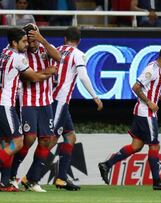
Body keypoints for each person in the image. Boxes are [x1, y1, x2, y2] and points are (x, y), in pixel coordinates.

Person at [0, 27, 57, 192]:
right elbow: (34, 77)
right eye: (23, 41)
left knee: (6, 145)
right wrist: (50, 72)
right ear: (14, 42)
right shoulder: (18, 58)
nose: (26, 45)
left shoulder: (5, 52)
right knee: (18, 143)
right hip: (5, 105)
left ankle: (5, 183)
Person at [98, 45, 161, 191]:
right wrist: (149, 102)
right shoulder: (152, 70)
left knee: (136, 146)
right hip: (145, 113)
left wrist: (158, 97)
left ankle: (106, 165)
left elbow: (147, 89)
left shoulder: (157, 69)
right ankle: (157, 181)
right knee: (154, 145)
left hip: (144, 112)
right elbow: (135, 87)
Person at [48, 27, 103, 190]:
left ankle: (61, 178)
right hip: (59, 100)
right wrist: (95, 96)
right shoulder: (78, 54)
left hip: (53, 99)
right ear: (79, 41)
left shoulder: (56, 50)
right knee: (50, 140)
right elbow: (84, 76)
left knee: (70, 137)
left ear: (65, 39)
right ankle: (30, 177)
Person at [9, 23, 61, 192]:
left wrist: (43, 41)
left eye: (34, 40)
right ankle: (11, 176)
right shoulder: (20, 53)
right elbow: (29, 78)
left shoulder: (45, 47)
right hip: (28, 101)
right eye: (29, 41)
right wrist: (48, 71)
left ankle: (32, 180)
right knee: (29, 139)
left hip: (46, 102)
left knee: (46, 140)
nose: (32, 44)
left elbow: (59, 58)